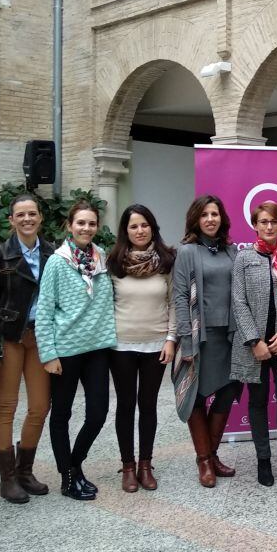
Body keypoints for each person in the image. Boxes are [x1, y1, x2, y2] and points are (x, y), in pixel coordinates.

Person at [36, 200, 116, 501]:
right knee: (62, 414)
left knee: (97, 413)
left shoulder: (102, 258)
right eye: (80, 223)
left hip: (97, 348)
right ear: (70, 226)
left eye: (91, 223)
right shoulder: (57, 262)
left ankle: (75, 463)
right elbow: (44, 310)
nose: (86, 228)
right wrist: (48, 354)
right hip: (66, 350)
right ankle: (68, 477)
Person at [0, 193, 53, 506]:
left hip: (41, 338)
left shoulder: (53, 253)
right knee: (7, 406)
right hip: (9, 338)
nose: (27, 219)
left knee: (39, 406)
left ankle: (25, 471)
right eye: (20, 214)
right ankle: (7, 478)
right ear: (11, 220)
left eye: (32, 213)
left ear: (40, 218)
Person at [230, 200, 277, 486]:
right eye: (263, 221)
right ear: (255, 225)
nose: (269, 226)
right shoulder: (244, 258)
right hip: (257, 345)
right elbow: (238, 301)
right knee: (259, 401)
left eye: (274, 221)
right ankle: (263, 461)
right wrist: (254, 340)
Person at [108, 205, 176, 492]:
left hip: (156, 345)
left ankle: (146, 464)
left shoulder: (167, 261)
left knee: (148, 406)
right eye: (134, 226)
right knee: (125, 405)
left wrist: (171, 339)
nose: (140, 230)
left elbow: (174, 302)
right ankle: (128, 466)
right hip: (121, 345)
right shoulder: (113, 263)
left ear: (153, 228)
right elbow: (106, 304)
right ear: (126, 231)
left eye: (145, 225)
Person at [172, 195, 239, 488]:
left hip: (230, 337)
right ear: (196, 220)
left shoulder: (232, 251)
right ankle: (204, 460)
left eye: (215, 214)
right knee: (197, 397)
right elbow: (181, 296)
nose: (210, 219)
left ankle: (211, 455)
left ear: (222, 218)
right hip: (201, 338)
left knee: (226, 394)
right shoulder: (187, 252)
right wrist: (186, 341)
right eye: (204, 215)